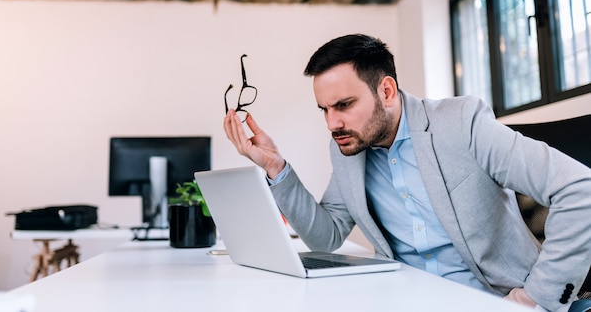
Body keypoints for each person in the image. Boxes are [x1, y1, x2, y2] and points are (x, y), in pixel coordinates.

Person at [223, 33, 591, 312]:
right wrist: (276, 167)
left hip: (493, 300)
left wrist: (536, 298)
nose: (332, 123)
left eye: (344, 105)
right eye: (324, 109)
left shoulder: (463, 123)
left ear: (386, 90)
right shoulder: (349, 149)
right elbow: (327, 236)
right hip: (408, 299)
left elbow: (580, 191)